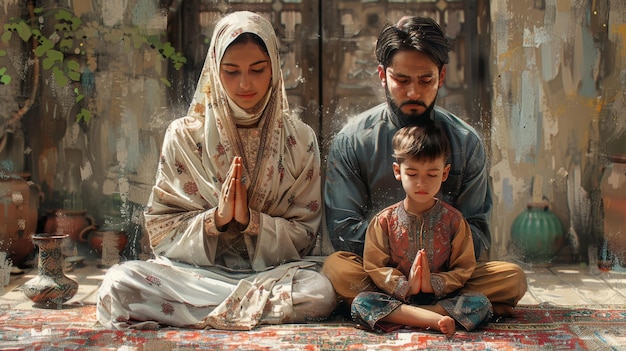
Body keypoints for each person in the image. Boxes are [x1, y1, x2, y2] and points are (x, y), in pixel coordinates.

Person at [96, 11, 335, 330]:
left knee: (320, 292)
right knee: (119, 281)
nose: (245, 83)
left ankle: (194, 312)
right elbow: (161, 231)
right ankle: (244, 311)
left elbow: (305, 234)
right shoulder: (183, 135)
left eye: (258, 69)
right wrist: (216, 220)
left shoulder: (299, 138)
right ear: (213, 70)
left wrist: (252, 222)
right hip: (193, 276)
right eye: (231, 71)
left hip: (270, 275)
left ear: (275, 68)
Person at [321, 16, 527, 317]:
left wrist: (434, 276)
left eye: (425, 80)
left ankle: (394, 311)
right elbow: (343, 232)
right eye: (401, 80)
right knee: (337, 270)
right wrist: (401, 263)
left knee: (512, 278)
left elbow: (478, 233)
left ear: (441, 77)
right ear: (382, 75)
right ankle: (450, 311)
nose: (414, 93)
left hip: (447, 276)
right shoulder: (352, 141)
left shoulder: (465, 142)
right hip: (379, 274)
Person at [350, 124, 493, 336]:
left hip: (442, 298)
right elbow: (375, 267)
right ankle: (435, 320)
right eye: (413, 173)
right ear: (398, 172)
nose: (421, 183)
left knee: (480, 302)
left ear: (445, 173)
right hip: (397, 298)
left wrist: (433, 284)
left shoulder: (454, 220)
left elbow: (463, 268)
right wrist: (406, 286)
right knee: (362, 302)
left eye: (432, 174)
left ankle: (412, 316)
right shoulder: (383, 221)